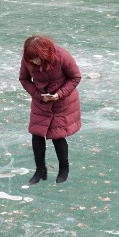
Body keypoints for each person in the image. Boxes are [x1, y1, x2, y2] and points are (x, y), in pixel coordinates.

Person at [19, 35, 82, 184]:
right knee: (37, 135)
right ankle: (40, 170)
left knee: (58, 136)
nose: (33, 62)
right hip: (41, 101)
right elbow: (24, 79)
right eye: (31, 59)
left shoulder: (61, 56)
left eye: (36, 59)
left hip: (62, 102)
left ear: (44, 53)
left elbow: (75, 77)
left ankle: (63, 169)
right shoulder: (28, 60)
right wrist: (38, 95)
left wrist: (58, 95)